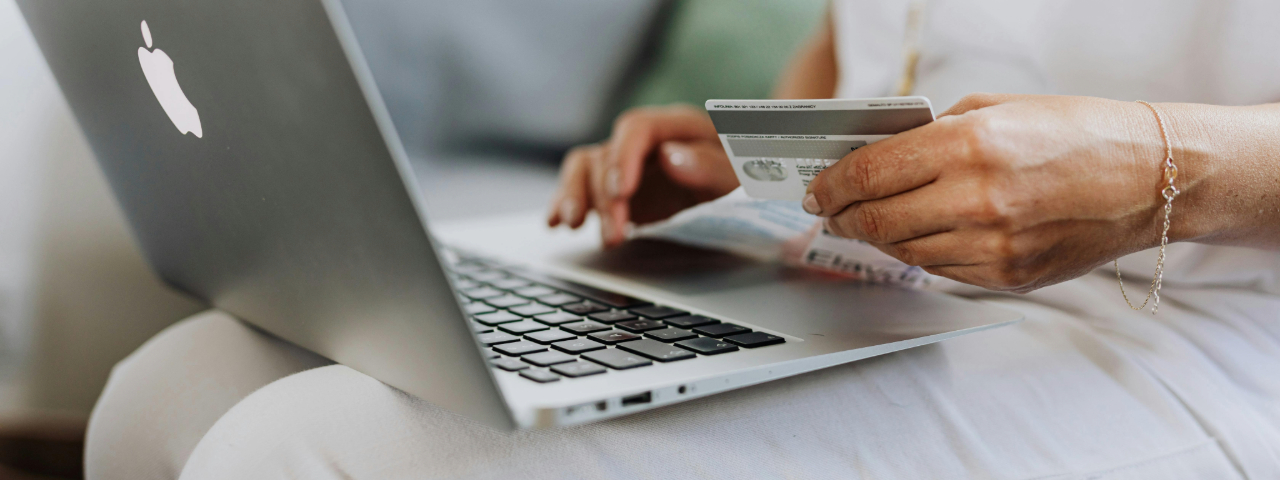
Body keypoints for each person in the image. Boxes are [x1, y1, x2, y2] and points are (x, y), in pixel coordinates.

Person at [88, 1, 1280, 479]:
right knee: (168, 394)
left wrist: (1156, 167)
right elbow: (862, 44)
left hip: (1187, 323)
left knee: (298, 457)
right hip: (873, 277)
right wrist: (779, 160)